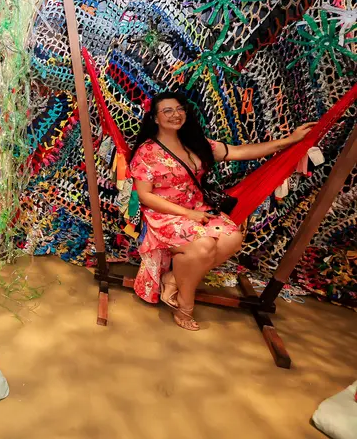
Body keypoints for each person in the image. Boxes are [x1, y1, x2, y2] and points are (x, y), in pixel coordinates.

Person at [128, 91, 315, 330]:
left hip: (198, 209)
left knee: (232, 239)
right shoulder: (147, 152)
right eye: (167, 111)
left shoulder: (196, 143)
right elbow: (145, 196)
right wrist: (188, 215)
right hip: (164, 215)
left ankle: (172, 279)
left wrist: (289, 140)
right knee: (204, 246)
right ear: (155, 118)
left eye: (179, 109)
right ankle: (185, 304)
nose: (175, 114)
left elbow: (240, 151)